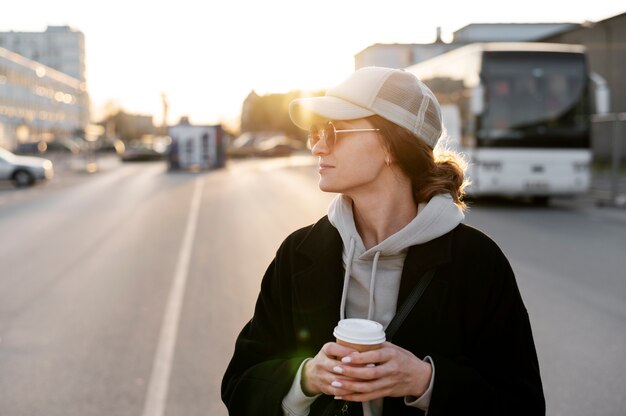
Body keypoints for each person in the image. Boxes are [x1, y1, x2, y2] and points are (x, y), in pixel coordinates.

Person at [221, 67, 545, 416]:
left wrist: (425, 382)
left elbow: (522, 405)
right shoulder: (299, 253)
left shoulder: (478, 262)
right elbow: (239, 384)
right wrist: (306, 378)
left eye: (335, 131)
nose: (317, 146)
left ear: (393, 144)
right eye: (317, 132)